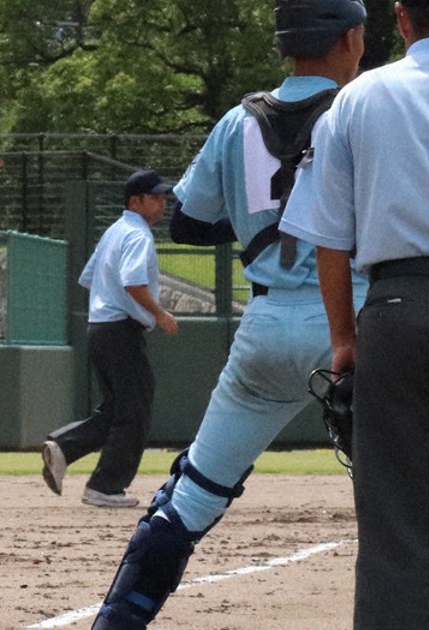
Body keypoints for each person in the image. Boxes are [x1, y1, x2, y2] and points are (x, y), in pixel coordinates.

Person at [91, 1, 368, 627]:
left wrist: (260, 224)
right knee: (399, 507)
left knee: (190, 497)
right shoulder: (364, 107)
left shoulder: (236, 121)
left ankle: (116, 621)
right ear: (351, 38)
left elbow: (186, 220)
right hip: (353, 325)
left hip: (265, 328)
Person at [279, 1, 429, 626]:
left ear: (400, 19)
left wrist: (344, 338)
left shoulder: (361, 98)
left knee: (395, 520)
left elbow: (329, 237)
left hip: (398, 308)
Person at [41, 169, 179, 509]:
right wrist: (159, 314)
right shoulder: (137, 234)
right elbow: (133, 282)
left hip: (100, 326)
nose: (162, 202)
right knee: (134, 410)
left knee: (118, 409)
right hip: (121, 328)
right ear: (136, 201)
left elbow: (90, 278)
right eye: (156, 196)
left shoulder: (115, 231)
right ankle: (105, 486)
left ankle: (64, 448)